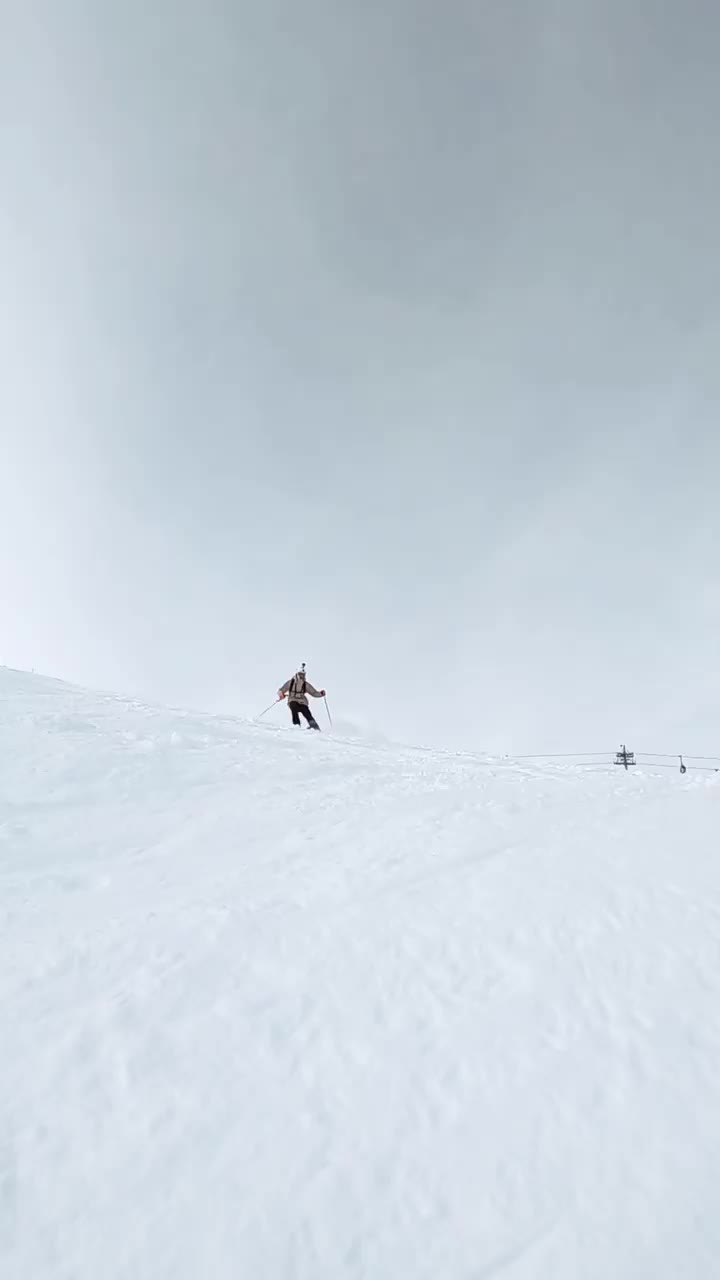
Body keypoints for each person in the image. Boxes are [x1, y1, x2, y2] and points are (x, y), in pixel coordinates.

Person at [278, 664, 326, 730]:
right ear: (297, 674)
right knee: (293, 707)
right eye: (300, 674)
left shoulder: (305, 684)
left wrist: (321, 694)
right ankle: (296, 725)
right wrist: (281, 694)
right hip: (292, 699)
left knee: (306, 712)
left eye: (303, 674)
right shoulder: (290, 682)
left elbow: (314, 692)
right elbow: (281, 690)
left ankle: (315, 727)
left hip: (302, 701)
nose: (302, 676)